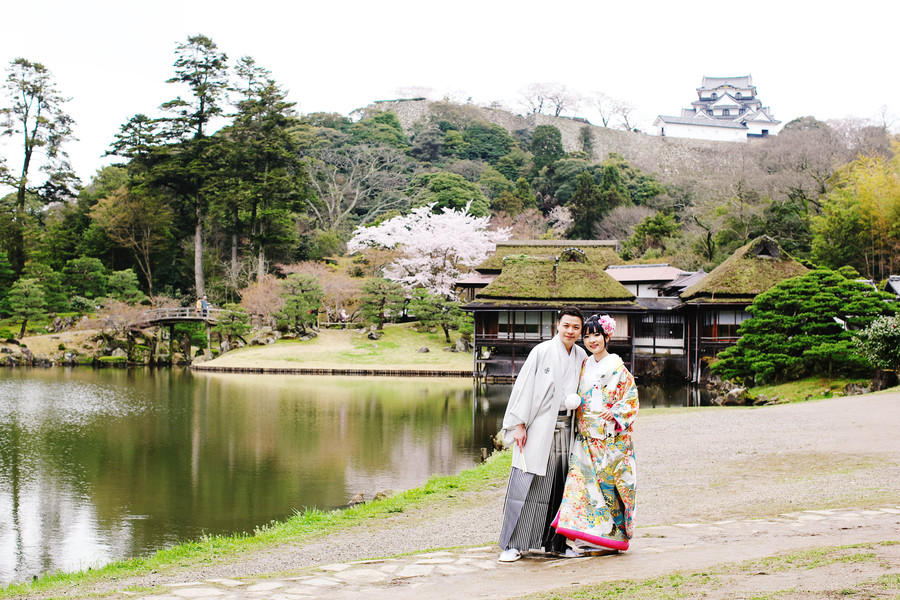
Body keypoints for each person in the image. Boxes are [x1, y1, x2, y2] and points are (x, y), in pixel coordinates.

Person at [497, 306, 588, 562]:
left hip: (567, 428)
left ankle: (557, 544)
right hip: (538, 427)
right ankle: (513, 544)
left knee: (561, 487)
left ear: (580, 331)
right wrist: (520, 424)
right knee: (526, 484)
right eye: (566, 325)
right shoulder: (542, 351)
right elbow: (524, 388)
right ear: (557, 326)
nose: (570, 331)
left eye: (576, 327)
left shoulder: (581, 355)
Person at [552, 314, 639, 552]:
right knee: (583, 488)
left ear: (607, 336)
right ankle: (589, 537)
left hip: (611, 441)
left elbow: (631, 399)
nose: (591, 340)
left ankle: (615, 538)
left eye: (596, 335)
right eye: (587, 336)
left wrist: (618, 413)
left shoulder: (618, 368)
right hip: (586, 438)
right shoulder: (584, 365)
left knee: (610, 488)